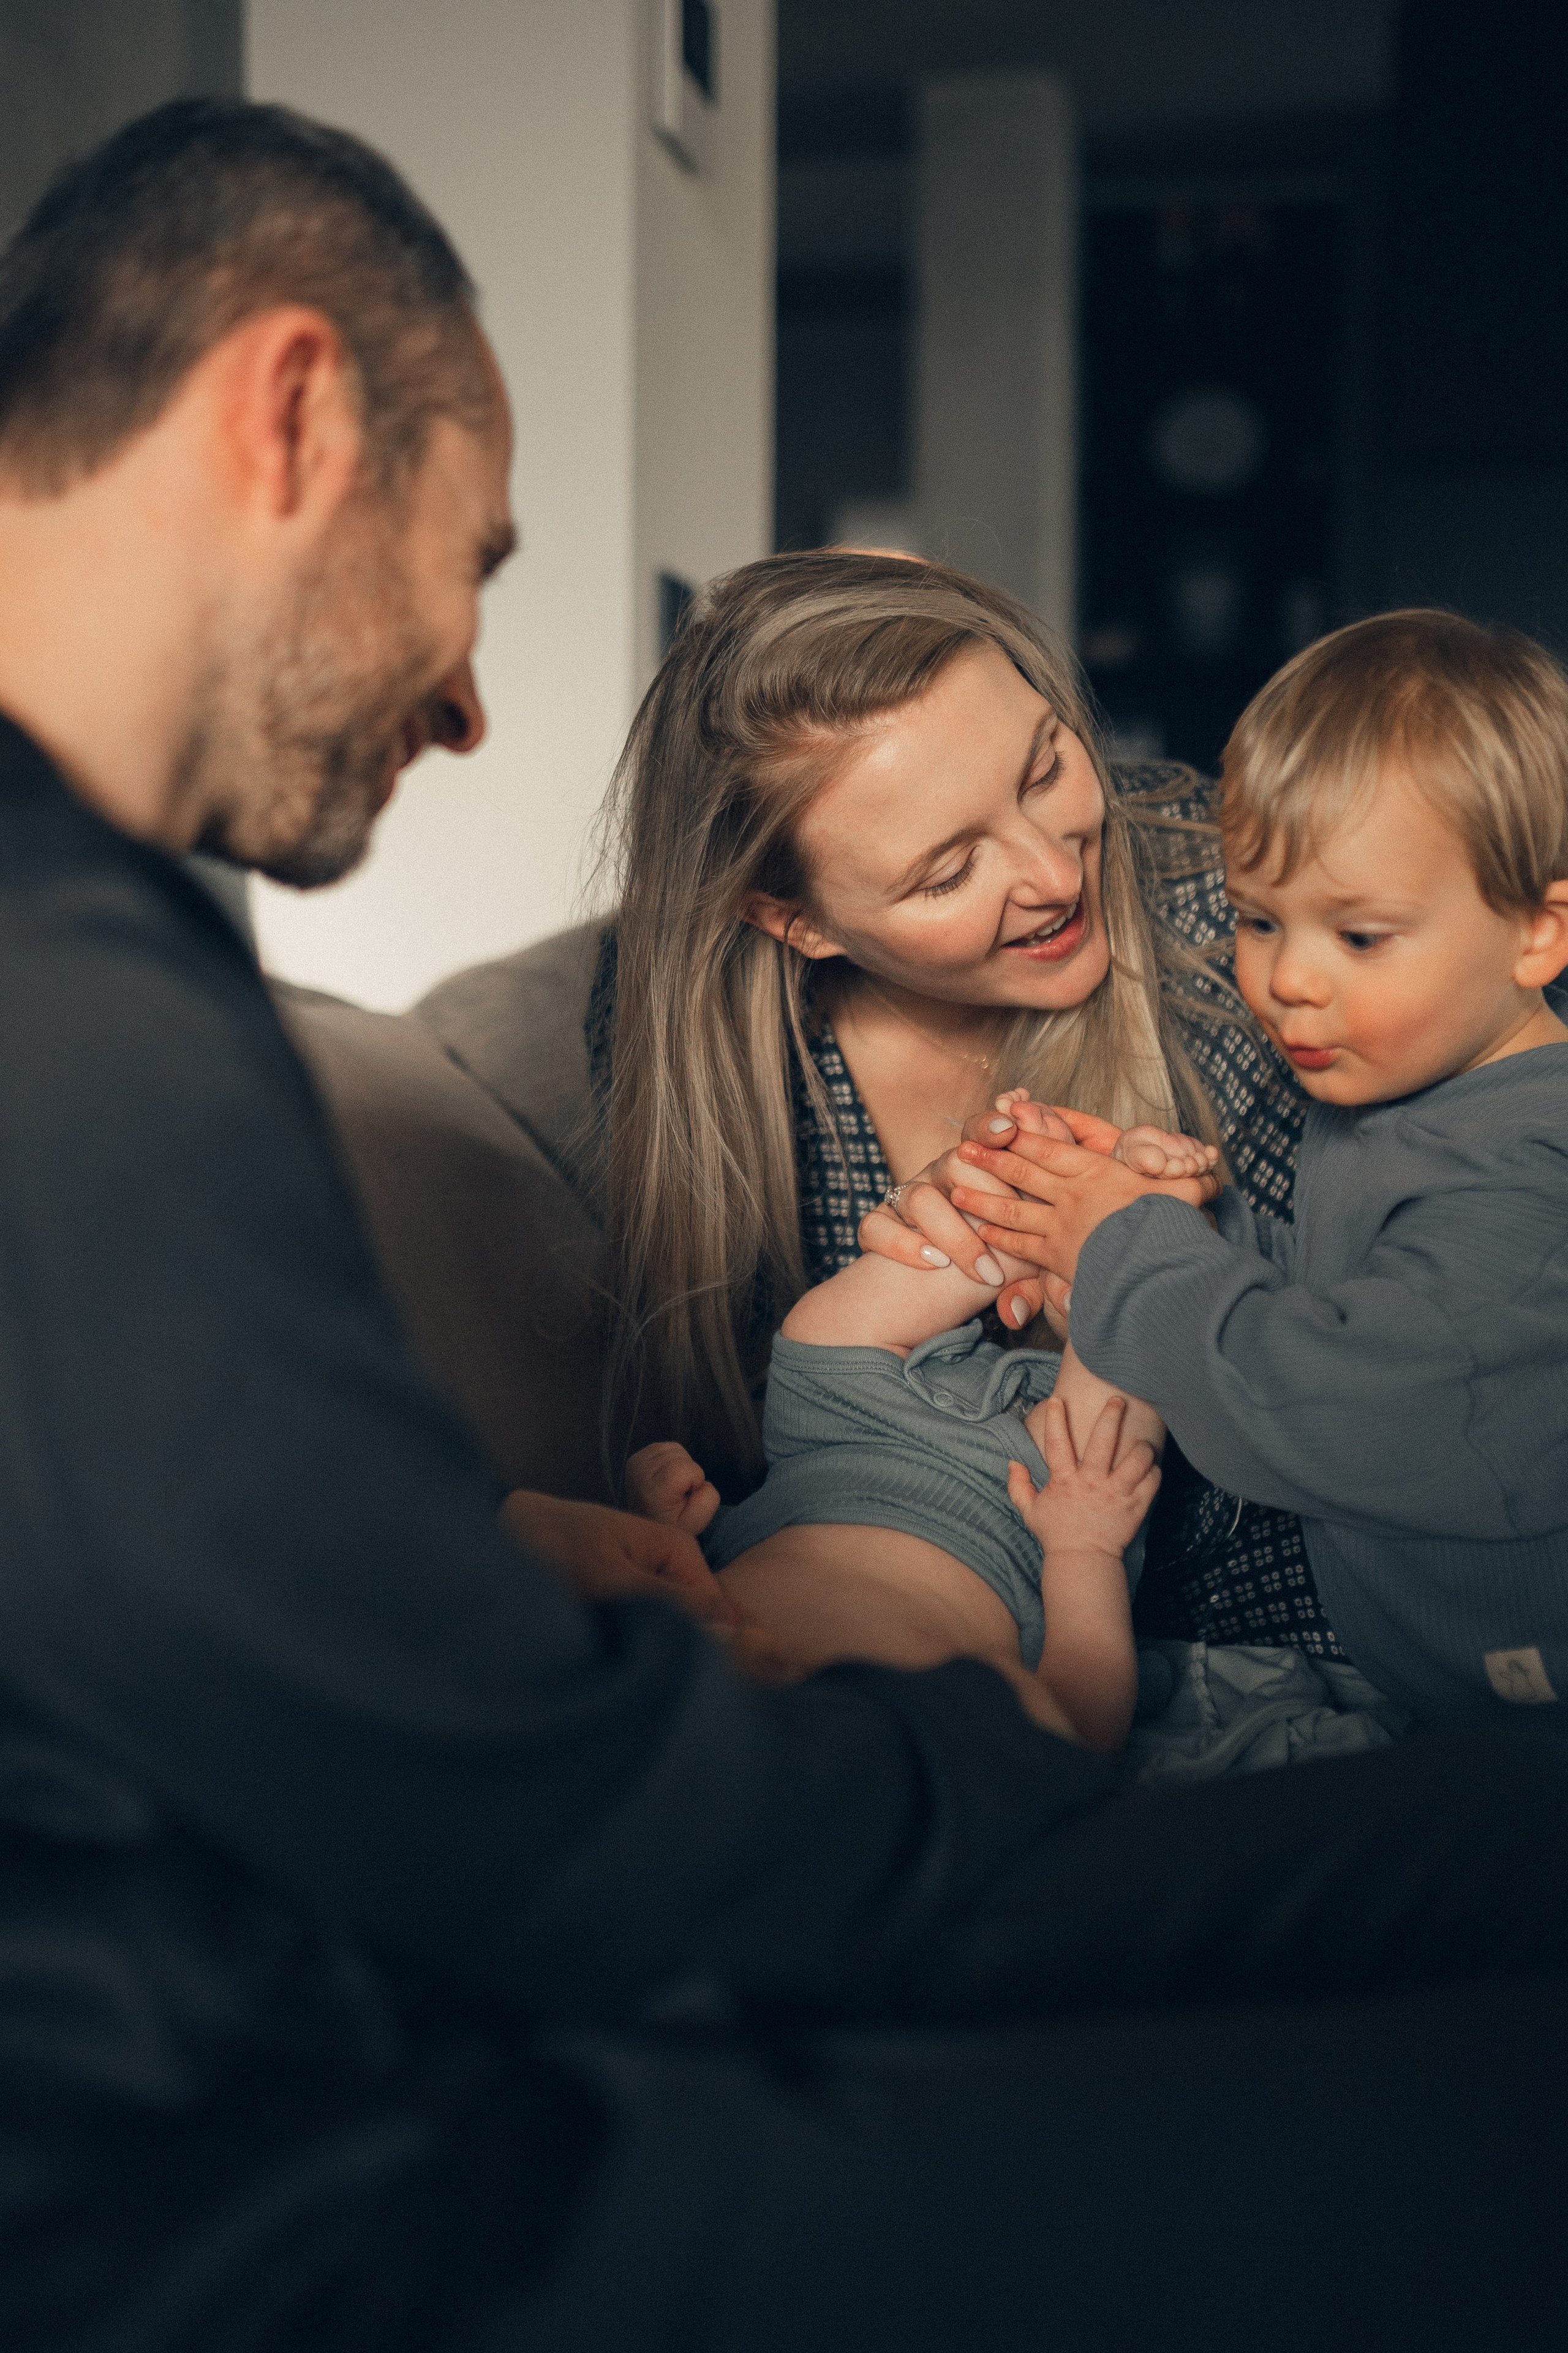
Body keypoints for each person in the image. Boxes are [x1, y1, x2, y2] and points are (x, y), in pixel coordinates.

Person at [4, 97, 1568, 2353]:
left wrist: (518, 1558)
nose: (461, 694)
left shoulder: (91, 958)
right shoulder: (69, 995)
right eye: (470, 563)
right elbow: (533, 1823)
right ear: (288, 416)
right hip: (323, 2158)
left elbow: (213, 1606)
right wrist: (983, 1752)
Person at [592, 553, 1336, 1668]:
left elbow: (1406, 1343)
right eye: (946, 872)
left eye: (1044, 769)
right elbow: (776, 1473)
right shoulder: (706, 1051)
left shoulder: (1238, 903)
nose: (1052, 871)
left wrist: (1152, 1260)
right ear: (792, 922)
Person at [933, 612, 1568, 1734]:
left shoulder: (1530, 1178)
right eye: (1258, 920)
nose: (1290, 983)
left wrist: (1126, 1251)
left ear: (1539, 933)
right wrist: (1167, 1215)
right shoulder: (1410, 1091)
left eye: (1360, 937)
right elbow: (1352, 1298)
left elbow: (1333, 1408)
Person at [630, 1098, 1199, 1753]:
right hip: (1032, 1509)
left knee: (821, 1333)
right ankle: (1134, 1226)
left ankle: (1019, 1207)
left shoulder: (649, 1730)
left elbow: (609, 1600)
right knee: (1111, 1420)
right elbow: (1083, 1726)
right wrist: (1085, 1551)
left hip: (837, 1438)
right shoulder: (937, 1764)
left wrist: (655, 1526)